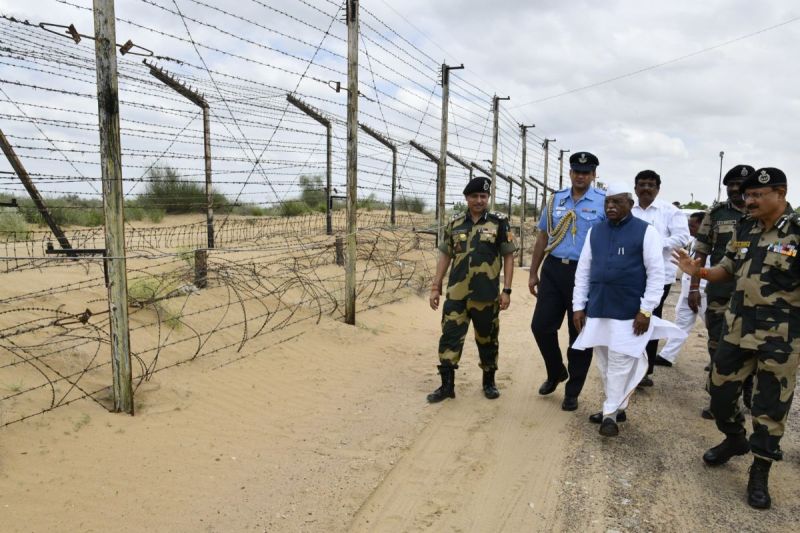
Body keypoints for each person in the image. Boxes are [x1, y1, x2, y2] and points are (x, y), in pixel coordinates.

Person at [673, 167, 798, 510]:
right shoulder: (745, 227)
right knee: (719, 395)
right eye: (748, 195)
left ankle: (760, 471)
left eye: (758, 195)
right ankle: (735, 439)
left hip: (781, 338)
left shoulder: (797, 231)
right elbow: (726, 268)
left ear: (781, 193)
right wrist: (696, 272)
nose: (750, 200)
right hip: (737, 329)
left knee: (769, 408)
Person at [571, 182, 685, 437]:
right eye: (607, 202)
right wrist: (579, 306)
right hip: (598, 307)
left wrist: (646, 311)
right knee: (603, 363)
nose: (610, 207)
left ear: (630, 204)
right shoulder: (595, 232)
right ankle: (618, 405)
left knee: (621, 362)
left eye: (617, 202)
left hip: (628, 311)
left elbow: (656, 275)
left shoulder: (646, 232)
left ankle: (609, 414)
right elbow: (583, 271)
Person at [428, 176, 517, 403]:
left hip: (486, 295)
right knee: (449, 337)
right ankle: (447, 385)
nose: (479, 200)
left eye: (483, 196)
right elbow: (445, 255)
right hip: (457, 294)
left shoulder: (499, 224)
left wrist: (506, 290)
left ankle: (489, 382)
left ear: (488, 198)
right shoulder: (455, 224)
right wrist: (436, 286)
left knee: (487, 339)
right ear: (466, 198)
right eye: (475, 196)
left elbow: (508, 256)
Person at [528, 151, 606, 411]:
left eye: (586, 172)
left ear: (594, 175)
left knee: (579, 334)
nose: (581, 176)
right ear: (570, 173)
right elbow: (542, 237)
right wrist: (533, 272)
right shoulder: (555, 200)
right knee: (541, 326)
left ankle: (573, 391)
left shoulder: (603, 203)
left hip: (584, 275)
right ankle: (555, 371)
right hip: (553, 270)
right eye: (577, 171)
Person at [691, 164, 755, 419]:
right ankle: (719, 400)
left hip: (753, 295)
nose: (734, 191)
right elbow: (702, 250)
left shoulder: (763, 214)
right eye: (730, 187)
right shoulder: (716, 214)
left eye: (739, 187)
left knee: (750, 345)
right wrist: (694, 286)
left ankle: (748, 387)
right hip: (720, 291)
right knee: (718, 345)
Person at [631, 170, 690, 385]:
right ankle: (628, 365)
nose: (646, 188)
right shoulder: (628, 209)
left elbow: (683, 236)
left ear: (658, 188)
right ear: (635, 187)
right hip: (630, 276)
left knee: (649, 319)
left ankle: (645, 371)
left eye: (651, 185)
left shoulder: (670, 211)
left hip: (658, 277)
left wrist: (655, 244)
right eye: (642, 184)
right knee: (628, 318)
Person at [655, 211, 708, 366]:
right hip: (687, 289)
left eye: (692, 225)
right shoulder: (693, 241)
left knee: (712, 326)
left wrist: (695, 289)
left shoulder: (711, 245)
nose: (689, 228)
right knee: (681, 323)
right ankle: (667, 356)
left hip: (703, 291)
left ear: (703, 225)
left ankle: (717, 360)